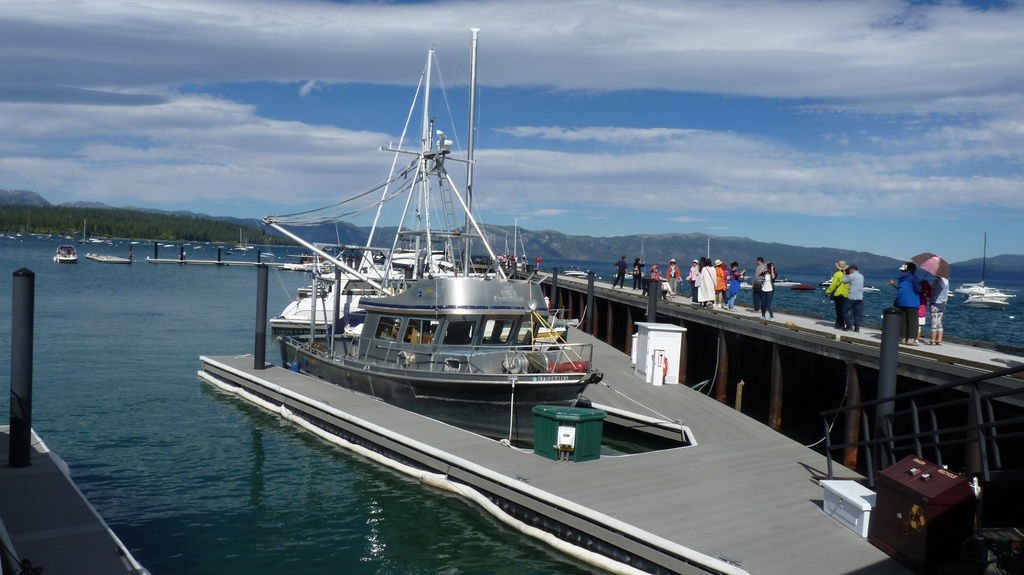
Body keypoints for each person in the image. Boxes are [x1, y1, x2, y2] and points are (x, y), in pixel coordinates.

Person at [889, 262, 922, 345]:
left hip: (901, 302)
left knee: (903, 320)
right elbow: (918, 289)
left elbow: (902, 289)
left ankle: (903, 338)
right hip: (912, 302)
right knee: (912, 321)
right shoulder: (914, 278)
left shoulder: (901, 278)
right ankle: (910, 339)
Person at [825, 260, 850, 329]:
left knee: (838, 310)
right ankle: (846, 324)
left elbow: (833, 285)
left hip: (839, 294)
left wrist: (828, 292)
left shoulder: (837, 274)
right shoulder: (849, 274)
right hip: (847, 294)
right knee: (844, 310)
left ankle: (839, 324)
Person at [841, 264, 865, 332]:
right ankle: (857, 328)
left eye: (849, 270)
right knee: (857, 314)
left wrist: (845, 274)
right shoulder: (861, 276)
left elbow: (844, 281)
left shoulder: (851, 276)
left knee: (844, 310)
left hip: (851, 297)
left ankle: (849, 325)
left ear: (852, 269)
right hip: (860, 297)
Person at [929, 275, 949, 345]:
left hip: (935, 303)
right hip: (942, 304)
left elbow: (931, 289)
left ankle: (933, 340)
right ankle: (939, 340)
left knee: (934, 322)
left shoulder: (937, 281)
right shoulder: (946, 281)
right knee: (939, 323)